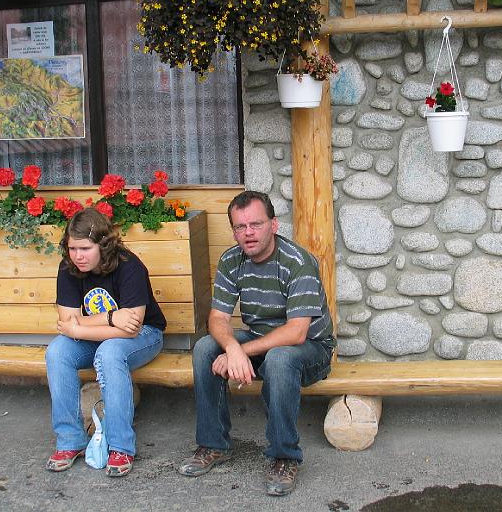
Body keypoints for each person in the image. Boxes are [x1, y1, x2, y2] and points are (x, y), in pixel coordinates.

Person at [178, 191, 335, 496]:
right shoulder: (231, 260)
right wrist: (232, 348)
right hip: (262, 341)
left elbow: (296, 333)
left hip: (311, 348)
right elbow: (217, 318)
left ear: (273, 225)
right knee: (205, 348)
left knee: (279, 358)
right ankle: (213, 444)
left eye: (256, 224)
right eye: (240, 226)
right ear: (234, 231)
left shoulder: (298, 262)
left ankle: (284, 456)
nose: (248, 233)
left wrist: (241, 351)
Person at [44, 207, 166, 477]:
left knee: (110, 352)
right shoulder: (69, 267)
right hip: (101, 334)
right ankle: (70, 440)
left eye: (85, 249)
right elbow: (67, 323)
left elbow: (131, 330)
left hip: (145, 335)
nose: (78, 256)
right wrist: (111, 317)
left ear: (103, 244)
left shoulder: (129, 265)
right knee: (57, 351)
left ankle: (121, 446)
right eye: (72, 248)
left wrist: (80, 326)